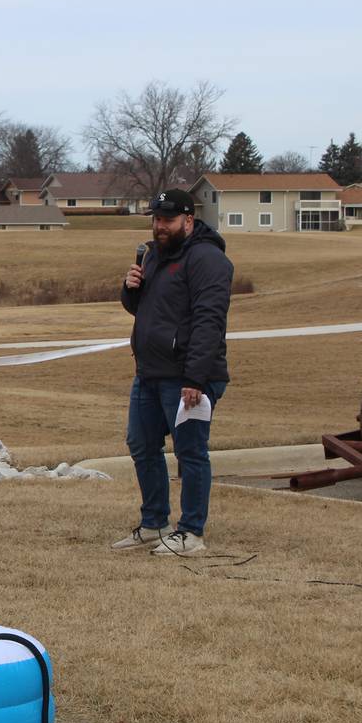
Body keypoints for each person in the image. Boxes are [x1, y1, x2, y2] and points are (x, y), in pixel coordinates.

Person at [114, 188, 233, 556]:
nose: (159, 226)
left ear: (188, 220)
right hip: (149, 372)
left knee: (190, 452)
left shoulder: (208, 260)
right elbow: (148, 311)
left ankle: (191, 532)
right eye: (156, 219)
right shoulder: (153, 257)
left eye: (167, 219)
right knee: (141, 444)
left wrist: (195, 379)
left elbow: (208, 323)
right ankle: (154, 523)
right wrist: (130, 290)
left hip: (188, 377)